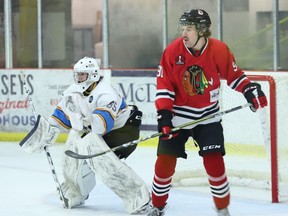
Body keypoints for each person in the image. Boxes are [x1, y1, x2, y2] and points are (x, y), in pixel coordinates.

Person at [147, 9, 268, 216]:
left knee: (215, 163)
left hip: (208, 117)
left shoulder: (219, 50)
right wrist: (164, 115)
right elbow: (164, 86)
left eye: (189, 29)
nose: (184, 34)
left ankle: (222, 209)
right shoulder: (172, 51)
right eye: (182, 28)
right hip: (178, 117)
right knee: (164, 164)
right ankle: (157, 206)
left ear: (202, 30)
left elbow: (234, 76)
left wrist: (249, 89)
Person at [20, 56, 150, 214]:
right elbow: (59, 119)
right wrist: (45, 132)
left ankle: (138, 197)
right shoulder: (72, 92)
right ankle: (76, 192)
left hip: (124, 131)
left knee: (102, 161)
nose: (78, 78)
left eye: (82, 74)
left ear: (93, 75)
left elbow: (100, 127)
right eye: (77, 74)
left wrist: (83, 118)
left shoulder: (106, 93)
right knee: (76, 141)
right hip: (97, 133)